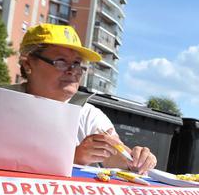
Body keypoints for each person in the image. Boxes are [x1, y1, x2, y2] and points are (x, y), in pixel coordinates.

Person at [13, 23, 156, 173]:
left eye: (76, 63)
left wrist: (137, 160)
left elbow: (117, 153)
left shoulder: (88, 114)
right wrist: (73, 158)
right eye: (61, 61)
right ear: (28, 63)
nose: (72, 71)